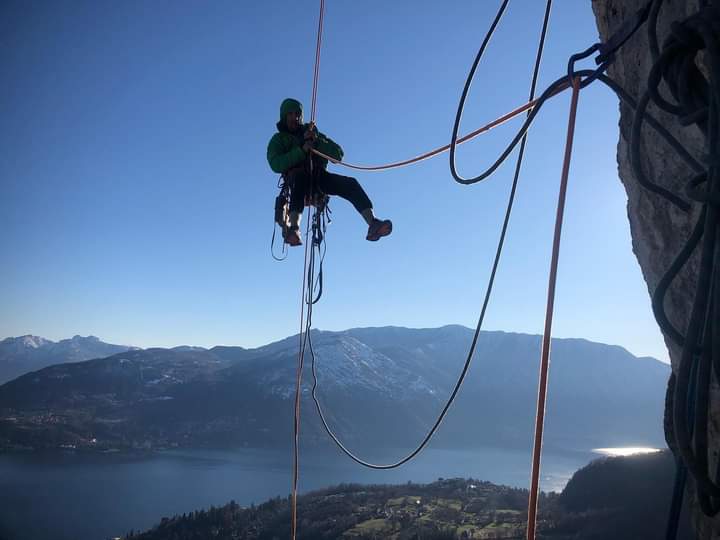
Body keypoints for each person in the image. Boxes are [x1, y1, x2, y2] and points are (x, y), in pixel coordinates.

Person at [267, 98, 392, 246]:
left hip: (319, 178)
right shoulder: (278, 140)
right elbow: (276, 164)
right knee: (300, 178)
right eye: (290, 114)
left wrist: (317, 141)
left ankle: (373, 223)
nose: (295, 117)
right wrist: (301, 150)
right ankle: (293, 228)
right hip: (297, 180)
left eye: (297, 114)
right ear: (284, 116)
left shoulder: (312, 132)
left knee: (350, 184)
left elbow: (338, 154)